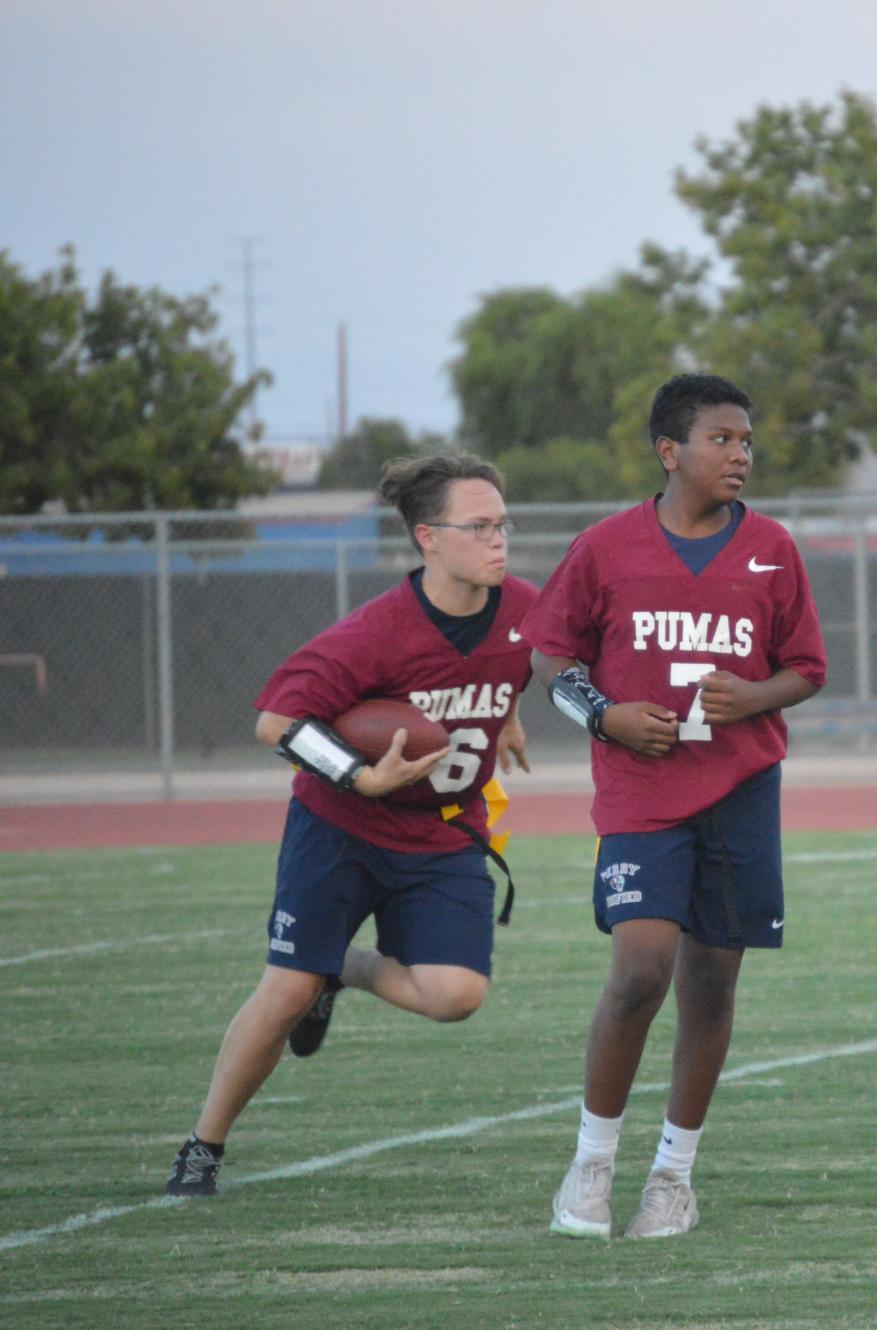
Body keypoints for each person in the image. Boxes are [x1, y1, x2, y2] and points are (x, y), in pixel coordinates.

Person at [165, 453, 536, 1196]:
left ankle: (346, 969)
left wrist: (509, 719)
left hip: (441, 831)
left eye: (504, 524)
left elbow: (513, 662)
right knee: (284, 991)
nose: (499, 539)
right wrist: (360, 775)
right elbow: (277, 722)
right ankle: (203, 1146)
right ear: (428, 538)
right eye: (480, 526)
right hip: (342, 828)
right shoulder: (376, 631)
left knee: (457, 996)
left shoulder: (527, 607)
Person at [523, 373, 825, 1240]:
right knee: (640, 972)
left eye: (746, 441)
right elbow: (551, 656)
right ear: (670, 451)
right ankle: (590, 1165)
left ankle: (671, 1178)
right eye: (722, 439)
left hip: (739, 792)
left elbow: (806, 668)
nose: (740, 455)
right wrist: (604, 714)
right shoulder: (606, 546)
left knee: (710, 987)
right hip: (640, 792)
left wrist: (754, 697)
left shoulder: (772, 548)